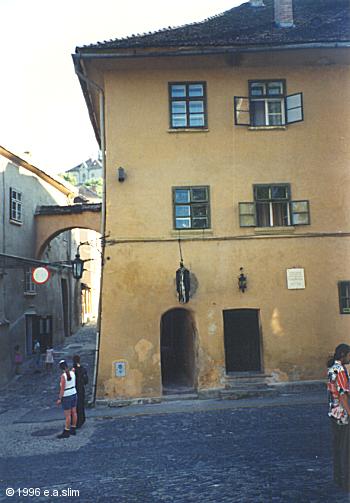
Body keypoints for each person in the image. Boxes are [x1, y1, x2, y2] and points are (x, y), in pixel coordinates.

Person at [327, 343, 350, 492]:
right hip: (342, 414)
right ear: (343, 355)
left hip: (333, 413)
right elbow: (342, 394)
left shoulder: (331, 369)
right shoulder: (340, 370)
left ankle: (338, 478)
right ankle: (346, 482)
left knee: (337, 447)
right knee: (346, 449)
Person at [56, 359, 78, 439]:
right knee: (74, 412)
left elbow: (62, 389)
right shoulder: (72, 373)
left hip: (66, 395)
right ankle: (73, 428)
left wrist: (59, 398)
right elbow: (73, 369)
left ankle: (66, 430)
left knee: (68, 415)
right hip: (74, 393)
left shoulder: (63, 376)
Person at [73, 354, 88, 428]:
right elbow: (86, 381)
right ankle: (81, 420)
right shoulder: (82, 369)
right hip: (81, 389)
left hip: (74, 389)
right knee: (81, 405)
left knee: (75, 406)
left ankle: (76, 421)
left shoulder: (73, 370)